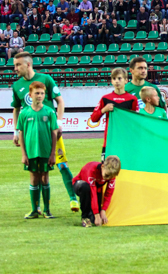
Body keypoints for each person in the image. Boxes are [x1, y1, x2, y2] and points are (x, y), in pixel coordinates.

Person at [11, 52, 78, 212]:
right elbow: (16, 108)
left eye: (18, 65)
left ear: (28, 64)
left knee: (61, 163)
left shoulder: (46, 79)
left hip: (50, 132)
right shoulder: (17, 85)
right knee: (36, 170)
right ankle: (37, 208)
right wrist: (16, 131)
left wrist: (59, 123)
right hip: (31, 134)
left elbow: (60, 101)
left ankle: (73, 199)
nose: (15, 69)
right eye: (14, 65)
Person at [17, 81, 59, 219]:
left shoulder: (49, 111)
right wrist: (24, 154)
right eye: (37, 93)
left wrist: (52, 154)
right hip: (31, 152)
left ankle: (47, 210)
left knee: (45, 178)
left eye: (42, 93)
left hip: (46, 151)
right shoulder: (24, 112)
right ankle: (34, 210)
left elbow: (54, 133)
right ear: (30, 95)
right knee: (34, 178)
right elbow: (21, 133)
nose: (39, 95)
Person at [90, 68, 137, 157]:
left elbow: (136, 120)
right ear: (111, 81)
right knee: (107, 165)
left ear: (126, 80)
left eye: (119, 78)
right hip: (109, 141)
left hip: (126, 140)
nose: (117, 81)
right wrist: (104, 110)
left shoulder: (132, 99)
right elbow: (93, 118)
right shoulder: (105, 98)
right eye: (114, 78)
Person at [73, 156, 121, 227]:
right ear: (102, 166)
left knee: (94, 220)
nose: (107, 178)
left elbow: (109, 194)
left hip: (96, 189)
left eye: (111, 177)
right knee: (85, 188)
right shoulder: (92, 170)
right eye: (106, 175)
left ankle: (90, 215)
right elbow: (93, 193)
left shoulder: (111, 174)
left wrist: (103, 210)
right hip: (80, 185)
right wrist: (97, 214)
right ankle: (84, 217)